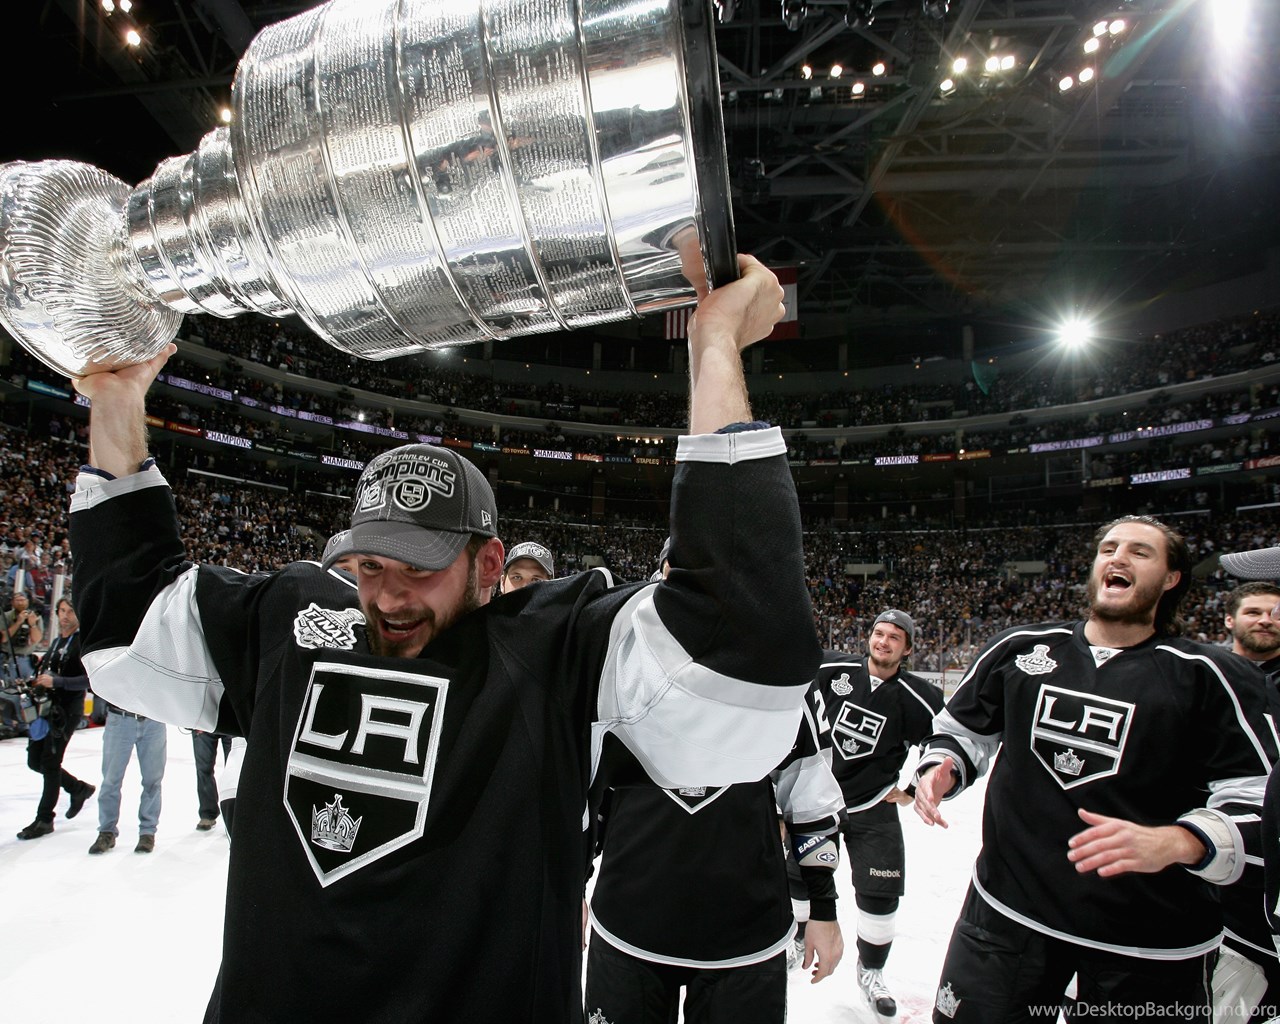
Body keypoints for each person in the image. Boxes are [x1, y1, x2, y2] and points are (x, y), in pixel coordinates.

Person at [69, 255, 821, 1023]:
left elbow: (740, 668)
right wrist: (118, 401)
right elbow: (128, 633)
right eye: (370, 565)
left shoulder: (556, 652)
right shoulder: (293, 620)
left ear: (488, 563)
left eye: (420, 568)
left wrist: (714, 344)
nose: (389, 595)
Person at [913, 514, 1275, 1023]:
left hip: (1150, 939)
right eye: (1109, 548)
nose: (1118, 557)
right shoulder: (1021, 647)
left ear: (1171, 578)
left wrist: (1180, 841)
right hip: (1008, 914)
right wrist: (944, 765)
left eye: (1140, 552)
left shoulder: (1214, 677)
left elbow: (1258, 796)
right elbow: (962, 730)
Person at [584, 551, 845, 1024]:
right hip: (629, 923)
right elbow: (590, 792)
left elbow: (810, 799)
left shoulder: (779, 676)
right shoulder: (619, 666)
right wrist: (571, 887)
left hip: (745, 936)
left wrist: (823, 908)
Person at [811, 608, 943, 1022]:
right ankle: (797, 941)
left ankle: (871, 970)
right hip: (818, 799)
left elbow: (942, 744)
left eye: (894, 637)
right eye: (878, 633)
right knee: (799, 879)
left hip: (873, 804)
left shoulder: (920, 697)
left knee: (880, 895)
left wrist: (914, 787)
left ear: (908, 649)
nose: (883, 642)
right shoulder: (831, 669)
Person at [1213, 572, 1280, 1020]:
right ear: (1229, 620)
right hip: (1205, 846)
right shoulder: (1202, 676)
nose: (1266, 620)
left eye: (1276, 614)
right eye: (1254, 612)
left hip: (1266, 851)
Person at [15, 597, 95, 839]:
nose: (65, 616)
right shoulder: (57, 641)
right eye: (62, 610)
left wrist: (58, 682)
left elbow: (89, 680)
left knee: (50, 762)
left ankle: (45, 819)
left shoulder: (82, 643)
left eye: (70, 611)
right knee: (34, 760)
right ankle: (77, 788)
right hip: (46, 709)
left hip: (67, 711)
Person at [89, 697, 167, 855]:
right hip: (119, 718)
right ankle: (106, 831)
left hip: (154, 720)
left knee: (153, 781)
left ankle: (147, 832)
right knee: (111, 780)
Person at [192, 729, 233, 831]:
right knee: (203, 769)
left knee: (233, 770)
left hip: (232, 725)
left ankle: (233, 815)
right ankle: (207, 813)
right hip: (204, 725)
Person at [3, 590, 44, 681]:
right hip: (7, 658)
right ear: (12, 602)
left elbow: (37, 639)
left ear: (27, 601)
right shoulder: (5, 616)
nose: (20, 603)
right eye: (17, 600)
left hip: (26, 659)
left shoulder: (35, 617)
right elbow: (3, 638)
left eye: (23, 600)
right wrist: (18, 622)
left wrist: (32, 624)